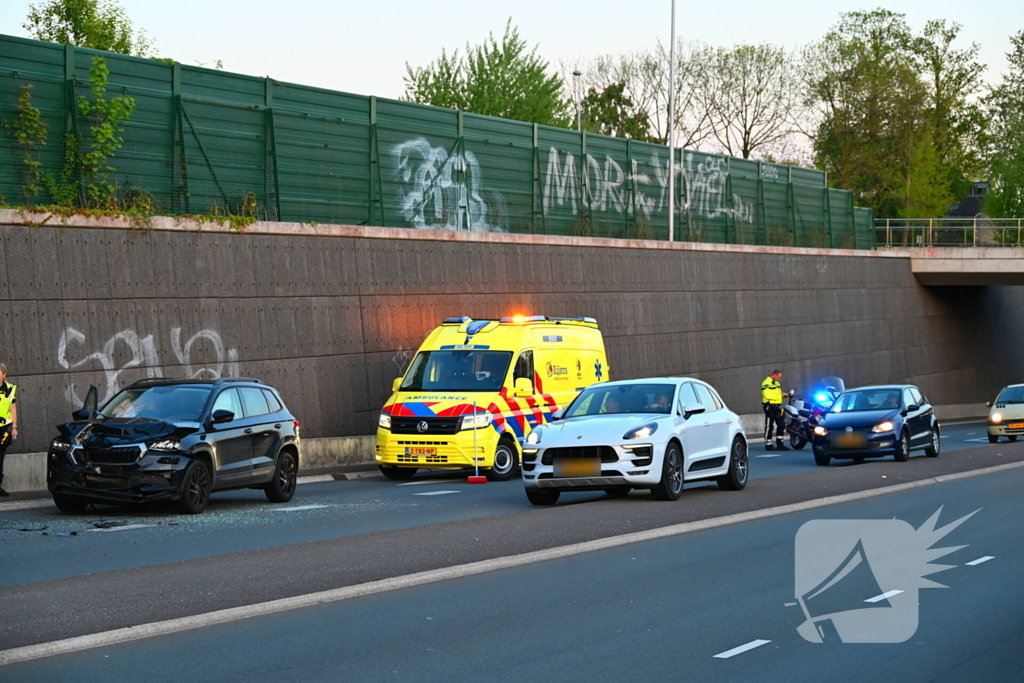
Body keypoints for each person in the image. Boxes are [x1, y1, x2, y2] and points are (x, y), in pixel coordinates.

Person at [0, 363, 18, 497]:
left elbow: (12, 409)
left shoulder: (10, 389)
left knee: (0, 458)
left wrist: (14, 427)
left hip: (4, 428)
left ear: (4, 374)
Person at [761, 369, 788, 451]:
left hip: (777, 406)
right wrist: (780, 396)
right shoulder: (766, 383)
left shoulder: (776, 383)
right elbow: (767, 395)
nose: (779, 379)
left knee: (781, 424)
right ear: (774, 375)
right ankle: (768, 444)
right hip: (769, 407)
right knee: (770, 425)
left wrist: (783, 395)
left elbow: (776, 394)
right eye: (778, 377)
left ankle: (780, 443)